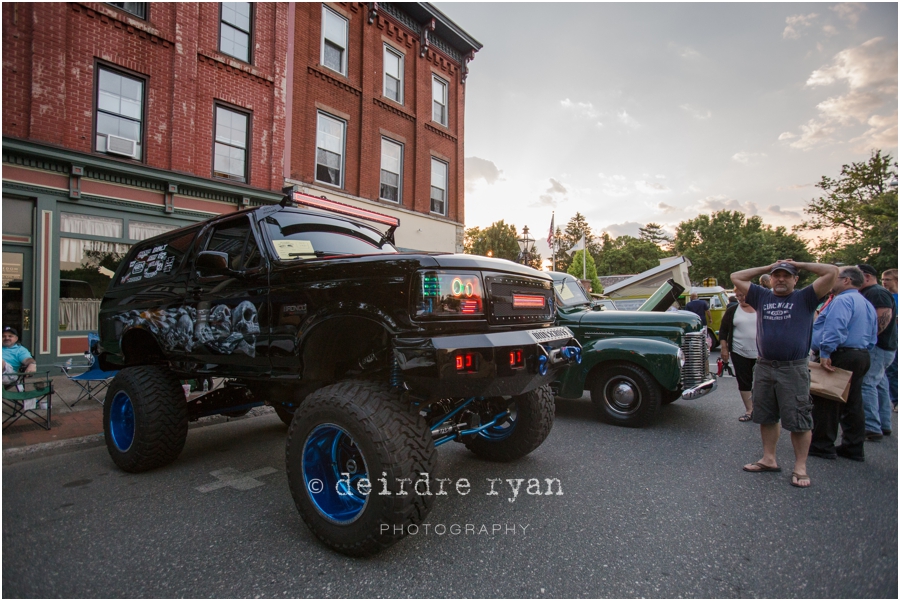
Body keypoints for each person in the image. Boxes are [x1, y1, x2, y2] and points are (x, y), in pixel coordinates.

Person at [731, 259, 838, 488]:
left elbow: (832, 271)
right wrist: (767, 266)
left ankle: (800, 467)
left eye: (786, 275)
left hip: (793, 368)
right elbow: (736, 276)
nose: (780, 279)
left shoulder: (805, 297)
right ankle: (768, 459)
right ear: (770, 278)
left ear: (795, 279)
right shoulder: (762, 296)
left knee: (799, 419)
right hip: (765, 366)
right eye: (776, 275)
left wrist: (798, 263)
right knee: (766, 415)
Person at [808, 267, 877, 462]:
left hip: (840, 354)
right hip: (861, 354)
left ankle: (822, 445)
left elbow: (835, 326)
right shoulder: (865, 302)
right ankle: (853, 446)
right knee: (854, 402)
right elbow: (873, 334)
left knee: (827, 401)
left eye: (836, 278)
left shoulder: (842, 300)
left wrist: (826, 352)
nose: (832, 282)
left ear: (846, 280)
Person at [857, 264, 897, 440]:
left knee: (867, 383)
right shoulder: (872, 292)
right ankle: (884, 424)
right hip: (883, 346)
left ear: (866, 277)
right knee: (879, 383)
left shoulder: (877, 293)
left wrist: (868, 340)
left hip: (878, 347)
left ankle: (872, 426)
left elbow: (884, 317)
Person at [718, 288, 757, 422]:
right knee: (744, 381)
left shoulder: (761, 308)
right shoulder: (733, 310)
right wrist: (724, 348)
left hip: (762, 353)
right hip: (739, 351)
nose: (740, 298)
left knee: (762, 382)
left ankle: (762, 409)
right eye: (738, 296)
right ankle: (749, 410)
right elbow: (723, 331)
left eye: (743, 295)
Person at [881, 268, 898, 412]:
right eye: (883, 280)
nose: (884, 282)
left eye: (888, 279)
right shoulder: (884, 296)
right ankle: (896, 400)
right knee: (892, 370)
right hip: (892, 339)